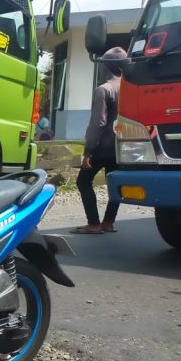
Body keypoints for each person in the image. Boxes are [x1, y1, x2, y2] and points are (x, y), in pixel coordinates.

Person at [72, 47, 127, 234]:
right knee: (115, 185)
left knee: (83, 181)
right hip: (123, 148)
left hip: (102, 148)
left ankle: (94, 223)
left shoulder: (104, 89)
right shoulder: (131, 88)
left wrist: (88, 151)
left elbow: (98, 123)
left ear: (106, 66)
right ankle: (108, 222)